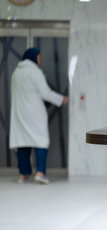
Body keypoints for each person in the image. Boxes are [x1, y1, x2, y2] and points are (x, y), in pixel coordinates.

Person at [9, 48, 69, 184]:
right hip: (35, 113)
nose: (41, 60)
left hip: (19, 113)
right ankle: (40, 172)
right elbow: (45, 93)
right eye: (40, 57)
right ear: (33, 57)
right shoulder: (35, 72)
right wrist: (62, 99)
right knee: (41, 141)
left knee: (23, 142)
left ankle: (22, 174)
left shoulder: (16, 73)